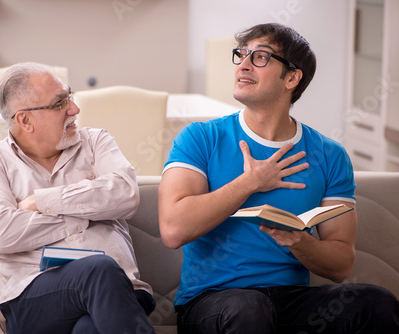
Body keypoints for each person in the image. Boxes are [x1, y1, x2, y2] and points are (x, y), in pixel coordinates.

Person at [158, 23, 399, 333]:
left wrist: (299, 242)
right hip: (212, 302)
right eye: (242, 55)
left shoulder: (330, 154)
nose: (243, 64)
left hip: (292, 301)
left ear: (292, 77)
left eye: (260, 57)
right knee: (248, 309)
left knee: (375, 302)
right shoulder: (200, 138)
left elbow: (340, 265)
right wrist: (249, 183)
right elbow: (173, 230)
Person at [0, 62, 156, 334]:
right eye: (59, 103)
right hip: (34, 298)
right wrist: (86, 212)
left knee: (89, 329)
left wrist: (41, 202)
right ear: (25, 120)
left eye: (70, 96)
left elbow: (126, 195)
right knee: (98, 267)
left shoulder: (96, 142)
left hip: (121, 290)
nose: (74, 109)